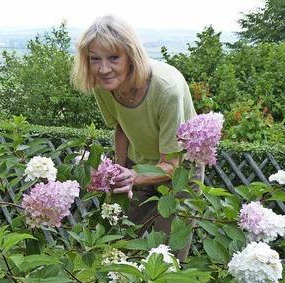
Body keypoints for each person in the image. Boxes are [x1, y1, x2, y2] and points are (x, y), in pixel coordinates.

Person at [72, 14, 202, 261]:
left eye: (113, 58)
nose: (103, 69)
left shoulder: (166, 90)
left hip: (180, 173)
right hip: (137, 163)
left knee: (166, 257)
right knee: (120, 249)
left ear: (131, 55)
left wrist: (131, 177)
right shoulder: (103, 84)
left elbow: (171, 165)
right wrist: (120, 170)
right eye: (94, 59)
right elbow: (121, 125)